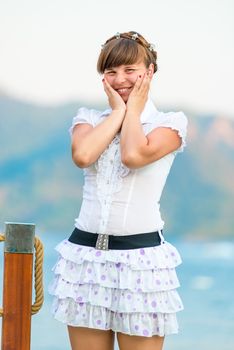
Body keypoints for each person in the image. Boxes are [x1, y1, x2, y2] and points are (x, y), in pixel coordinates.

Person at [49, 31, 188, 350]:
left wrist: (133, 113)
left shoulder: (170, 124)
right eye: (110, 71)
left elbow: (133, 155)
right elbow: (83, 156)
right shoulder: (88, 119)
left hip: (141, 262)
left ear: (149, 71)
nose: (120, 79)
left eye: (129, 70)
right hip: (85, 260)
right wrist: (116, 113)